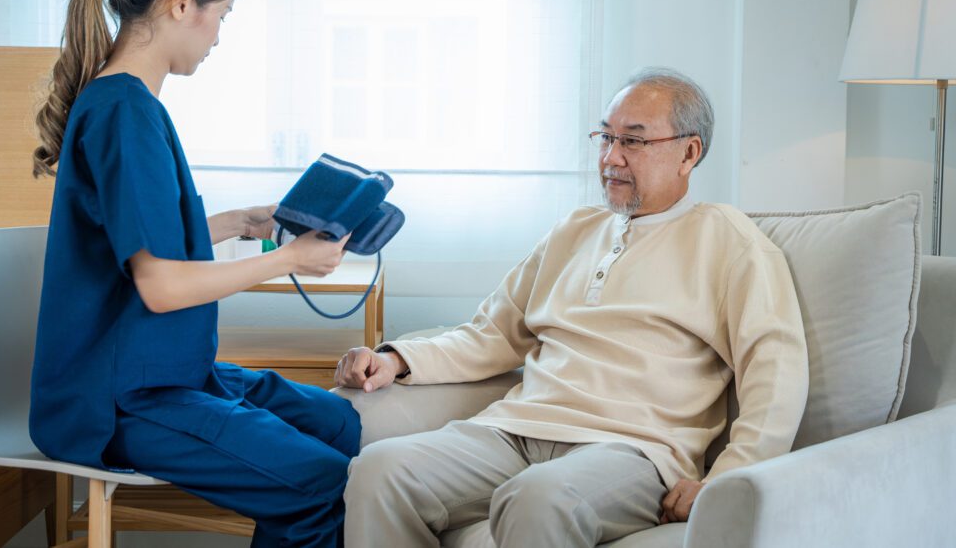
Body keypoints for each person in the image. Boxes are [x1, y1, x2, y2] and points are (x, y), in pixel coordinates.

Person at [336, 68, 809, 547]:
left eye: (633, 141)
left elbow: (775, 372)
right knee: (379, 471)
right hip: (518, 428)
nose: (610, 157)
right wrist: (396, 360)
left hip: (632, 451)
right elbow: (493, 334)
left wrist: (726, 478)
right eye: (605, 137)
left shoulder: (729, 240)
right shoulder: (575, 230)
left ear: (689, 153)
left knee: (538, 496)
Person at [29, 0, 359, 548]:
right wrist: (288, 257)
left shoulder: (129, 105)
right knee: (326, 484)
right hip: (120, 399)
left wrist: (242, 222)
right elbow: (159, 286)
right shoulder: (124, 111)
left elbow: (135, 247)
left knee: (341, 424)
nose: (218, 36)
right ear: (184, 3)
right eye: (223, 15)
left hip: (168, 372)